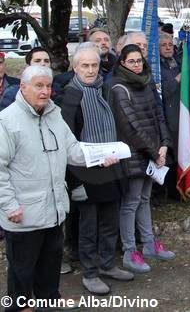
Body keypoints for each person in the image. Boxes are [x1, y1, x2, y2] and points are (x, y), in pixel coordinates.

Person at [0, 65, 117, 311]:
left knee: (50, 262)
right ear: (23, 87)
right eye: (38, 86)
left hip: (53, 208)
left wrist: (100, 157)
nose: (45, 92)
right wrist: (9, 206)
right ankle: (19, 307)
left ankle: (49, 300)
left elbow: (73, 150)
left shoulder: (54, 114)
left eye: (48, 86)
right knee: (22, 269)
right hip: (22, 213)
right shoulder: (7, 121)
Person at [59, 43, 132, 295]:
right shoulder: (69, 96)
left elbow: (119, 123)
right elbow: (68, 141)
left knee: (110, 223)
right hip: (85, 172)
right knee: (88, 228)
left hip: (111, 168)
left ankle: (107, 264)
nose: (91, 71)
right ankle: (90, 273)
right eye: (85, 66)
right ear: (75, 67)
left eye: (94, 65)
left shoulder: (106, 88)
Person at [109, 44, 175, 273]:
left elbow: (159, 115)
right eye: (132, 61)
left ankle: (149, 244)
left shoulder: (146, 82)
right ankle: (129, 251)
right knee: (131, 203)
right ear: (122, 63)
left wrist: (165, 144)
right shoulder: (119, 88)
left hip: (154, 153)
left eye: (139, 60)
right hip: (134, 155)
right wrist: (155, 152)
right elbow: (131, 128)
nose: (137, 65)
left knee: (145, 199)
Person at [158, 32, 181, 201]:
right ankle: (165, 189)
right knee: (168, 154)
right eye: (164, 45)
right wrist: (179, 78)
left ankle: (178, 186)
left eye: (170, 45)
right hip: (165, 115)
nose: (168, 47)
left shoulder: (178, 62)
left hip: (180, 114)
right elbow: (163, 90)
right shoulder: (156, 66)